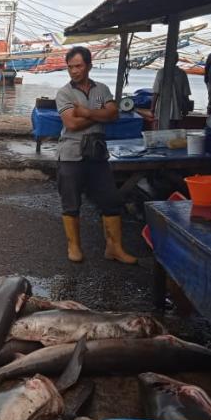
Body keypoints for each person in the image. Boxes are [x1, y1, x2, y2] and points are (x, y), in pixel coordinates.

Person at [56, 46, 138, 265]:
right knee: (71, 203)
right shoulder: (64, 93)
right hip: (71, 154)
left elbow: (115, 113)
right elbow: (72, 124)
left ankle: (114, 247)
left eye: (79, 66)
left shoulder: (101, 88)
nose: (74, 71)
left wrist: (87, 112)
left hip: (97, 154)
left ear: (89, 66)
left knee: (111, 200)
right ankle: (74, 246)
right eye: (70, 67)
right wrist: (102, 115)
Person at [151, 52, 192, 129]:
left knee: (160, 133)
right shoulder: (182, 73)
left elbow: (156, 92)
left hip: (161, 110)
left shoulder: (161, 72)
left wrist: (152, 108)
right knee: (173, 133)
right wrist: (185, 109)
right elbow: (185, 95)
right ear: (177, 60)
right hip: (176, 111)